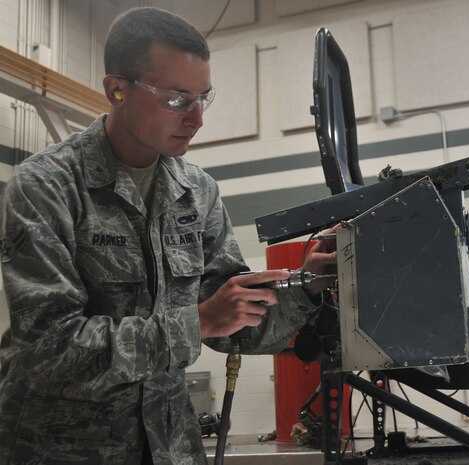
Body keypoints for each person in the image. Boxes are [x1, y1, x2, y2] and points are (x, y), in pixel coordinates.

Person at [0, 7, 336, 465]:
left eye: (204, 98)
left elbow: (236, 326)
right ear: (116, 89)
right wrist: (197, 322)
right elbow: (49, 351)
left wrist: (308, 283)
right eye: (177, 99)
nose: (197, 118)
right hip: (63, 449)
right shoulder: (47, 185)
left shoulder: (196, 192)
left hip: (170, 447)